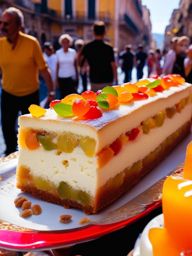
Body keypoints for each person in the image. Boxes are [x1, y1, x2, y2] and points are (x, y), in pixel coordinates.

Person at [0, 7, 54, 156]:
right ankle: (10, 156)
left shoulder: (32, 43)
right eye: (1, 23)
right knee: (7, 129)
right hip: (8, 94)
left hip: (30, 95)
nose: (2, 27)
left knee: (32, 131)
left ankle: (34, 158)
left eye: (6, 23)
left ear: (19, 26)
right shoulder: (1, 44)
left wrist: (51, 92)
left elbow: (44, 69)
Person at [79, 20, 118, 92]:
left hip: (94, 80)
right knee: (107, 101)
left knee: (96, 101)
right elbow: (113, 65)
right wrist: (116, 80)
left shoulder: (87, 47)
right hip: (108, 79)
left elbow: (81, 62)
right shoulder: (109, 48)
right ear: (104, 32)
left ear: (93, 32)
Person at [55, 33, 79, 98]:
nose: (65, 44)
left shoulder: (73, 52)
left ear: (69, 43)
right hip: (61, 78)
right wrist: (56, 80)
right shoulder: (58, 53)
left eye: (67, 42)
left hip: (71, 78)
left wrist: (77, 77)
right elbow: (57, 66)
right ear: (61, 43)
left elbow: (75, 65)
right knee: (63, 96)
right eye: (63, 42)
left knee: (71, 96)